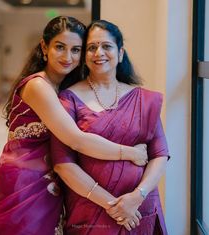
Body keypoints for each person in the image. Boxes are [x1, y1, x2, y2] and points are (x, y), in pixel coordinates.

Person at [0, 16, 148, 235]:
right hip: (24, 185)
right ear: (45, 46)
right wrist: (130, 153)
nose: (68, 57)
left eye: (76, 49)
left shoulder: (63, 89)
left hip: (48, 183)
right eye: (60, 47)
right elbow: (75, 140)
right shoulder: (38, 86)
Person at [51, 19, 170, 235]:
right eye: (91, 47)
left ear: (120, 53)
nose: (99, 53)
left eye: (106, 46)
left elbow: (159, 155)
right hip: (90, 211)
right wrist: (113, 205)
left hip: (139, 209)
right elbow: (63, 164)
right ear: (84, 56)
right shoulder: (68, 99)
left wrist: (137, 196)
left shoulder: (143, 99)